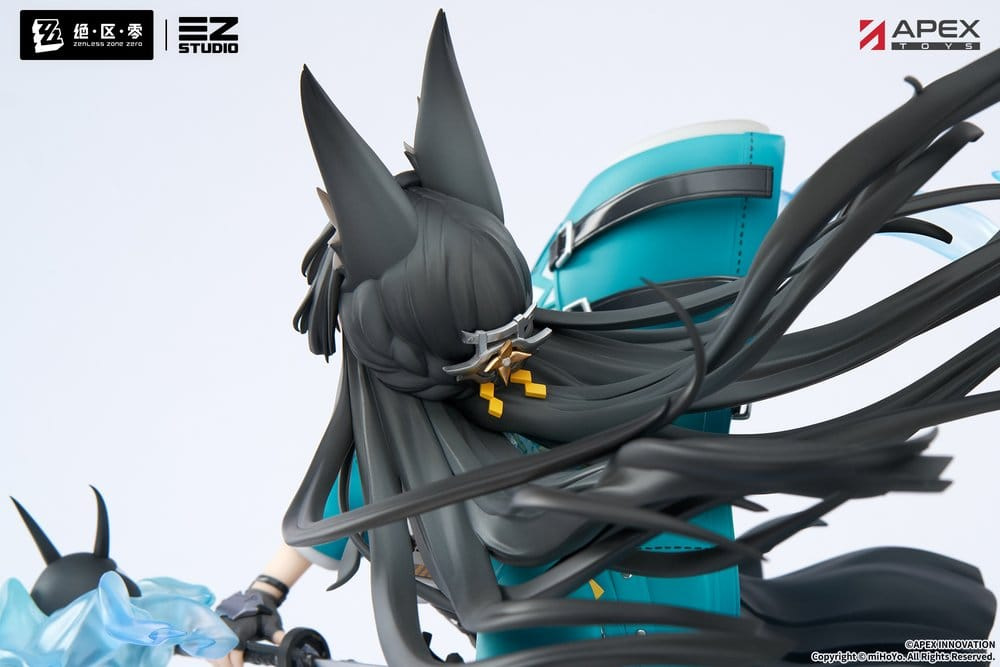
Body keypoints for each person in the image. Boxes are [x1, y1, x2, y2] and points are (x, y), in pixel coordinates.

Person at [211, 12, 1000, 666]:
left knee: (926, 642)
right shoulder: (399, 451)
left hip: (683, 635)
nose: (507, 350)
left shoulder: (548, 407)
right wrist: (260, 594)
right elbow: (332, 518)